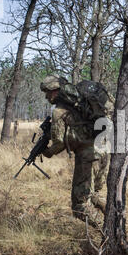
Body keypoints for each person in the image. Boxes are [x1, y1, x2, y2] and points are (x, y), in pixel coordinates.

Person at [40, 75, 111, 227]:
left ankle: (106, 232)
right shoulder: (81, 104)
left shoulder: (59, 111)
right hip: (103, 151)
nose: (46, 96)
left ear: (56, 90)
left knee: (80, 206)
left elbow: (59, 143)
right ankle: (115, 222)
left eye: (48, 92)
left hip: (87, 156)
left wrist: (48, 152)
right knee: (95, 195)